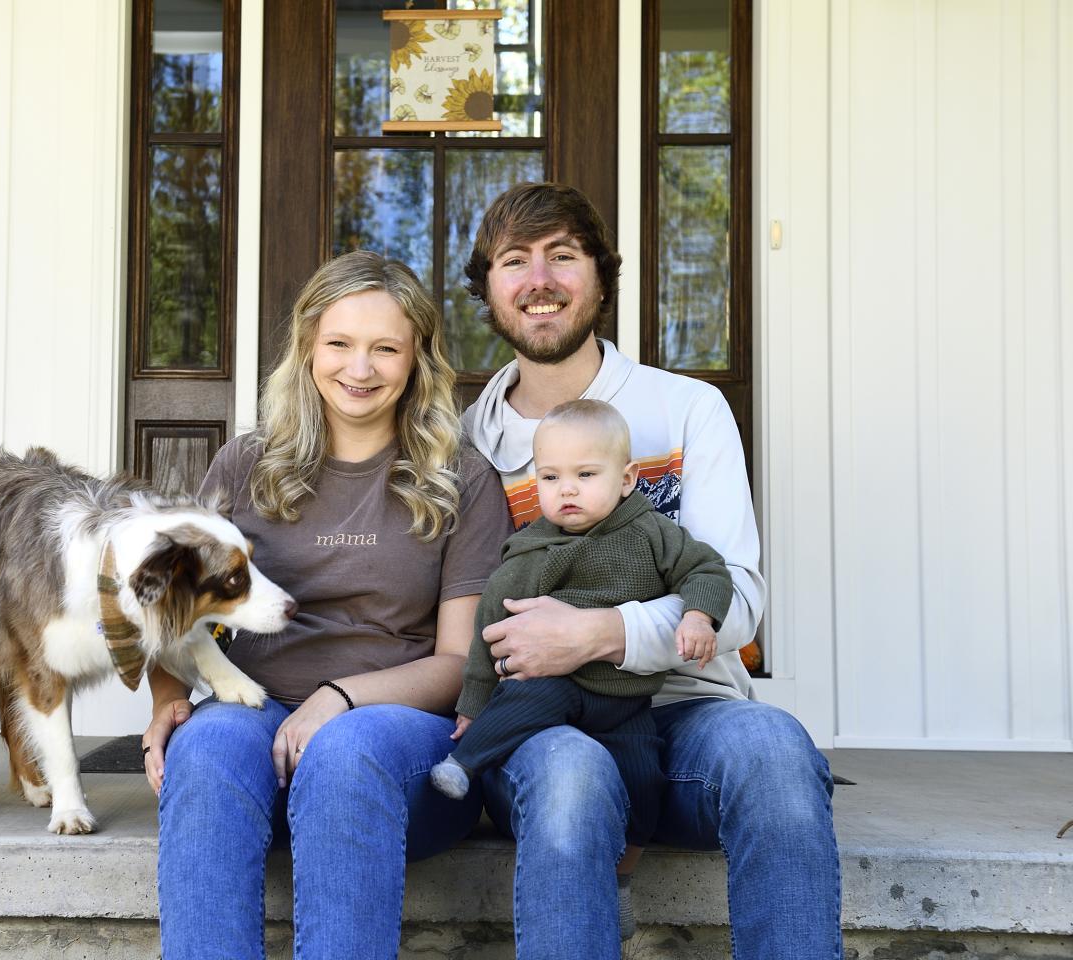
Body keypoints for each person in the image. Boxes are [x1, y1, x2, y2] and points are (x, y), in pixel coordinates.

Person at [460, 182, 842, 959]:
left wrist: (600, 633)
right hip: (545, 722)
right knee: (570, 778)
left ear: (600, 275)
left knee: (772, 749)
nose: (540, 280)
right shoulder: (463, 445)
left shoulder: (686, 409)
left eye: (563, 257)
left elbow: (735, 601)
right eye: (514, 261)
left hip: (690, 710)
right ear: (488, 287)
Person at [142, 250, 513, 960]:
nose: (360, 368)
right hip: (256, 716)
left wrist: (340, 697)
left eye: (385, 348)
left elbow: (462, 664)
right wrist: (166, 698)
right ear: (308, 347)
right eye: (340, 344)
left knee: (345, 753)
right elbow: (176, 612)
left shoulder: (462, 479)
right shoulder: (246, 465)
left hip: (397, 742)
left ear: (417, 360)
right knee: (210, 745)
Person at [429, 398, 733, 935]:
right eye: (550, 477)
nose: (566, 489)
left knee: (645, 778)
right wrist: (473, 708)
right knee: (521, 700)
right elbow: (486, 639)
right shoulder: (527, 553)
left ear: (626, 478)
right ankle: (465, 765)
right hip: (556, 688)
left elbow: (705, 568)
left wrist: (699, 617)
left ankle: (621, 876)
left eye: (585, 474)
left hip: (624, 695)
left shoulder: (651, 533)